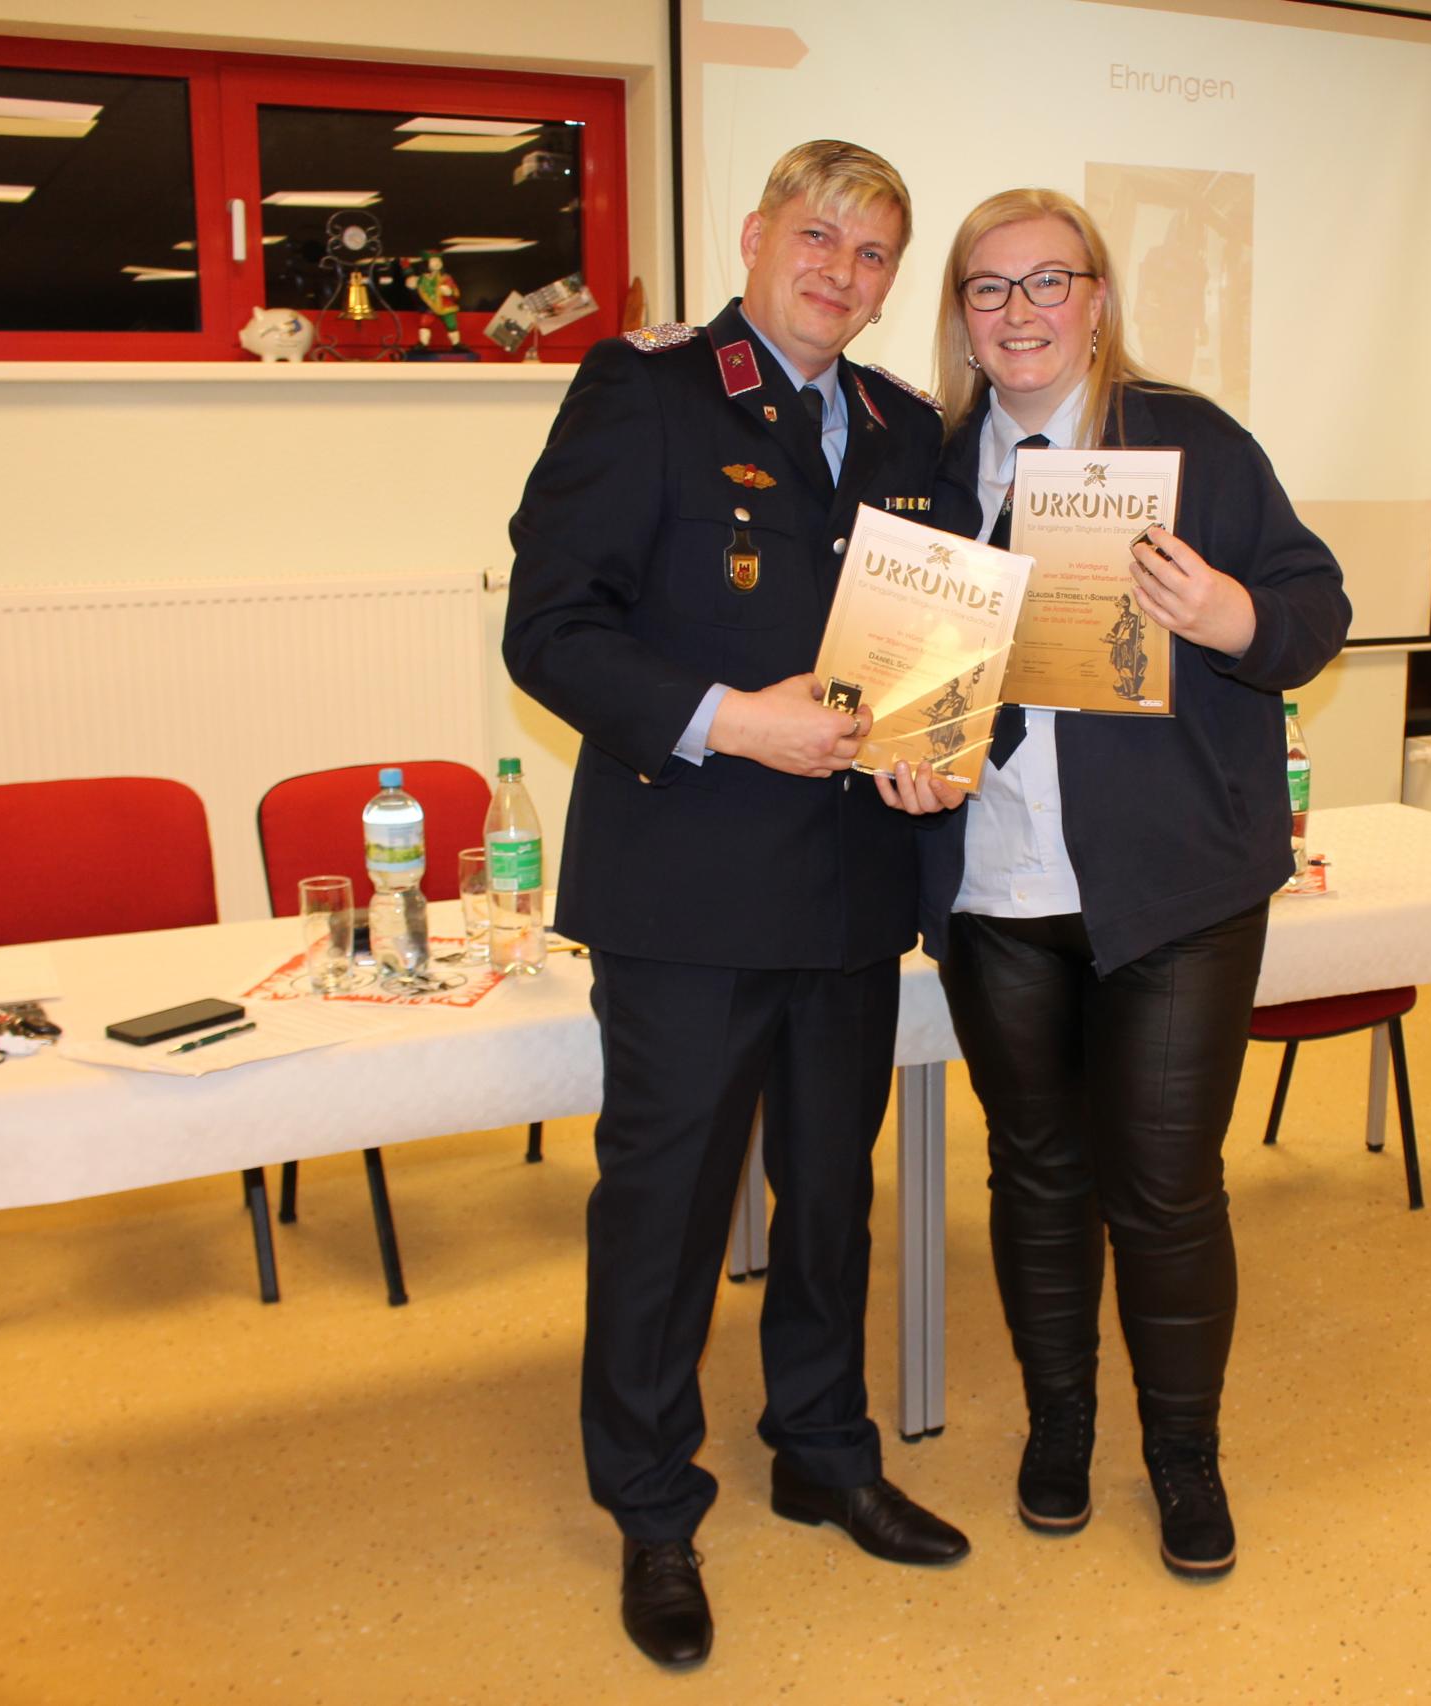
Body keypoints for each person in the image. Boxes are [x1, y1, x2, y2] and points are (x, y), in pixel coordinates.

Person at [502, 139, 969, 1672]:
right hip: (688, 886)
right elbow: (551, 628)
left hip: (850, 885)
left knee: (831, 1197)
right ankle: (651, 1505)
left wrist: (936, 742)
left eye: (873, 253)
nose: (842, 271)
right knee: (670, 1210)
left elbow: (936, 636)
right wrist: (729, 718)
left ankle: (823, 1449)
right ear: (758, 235)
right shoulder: (643, 394)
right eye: (818, 236)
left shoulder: (905, 426)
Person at [881, 188, 1347, 1580]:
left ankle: (1183, 1453)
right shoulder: (924, 465)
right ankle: (1061, 1426)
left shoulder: (1190, 443)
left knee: (1164, 1186)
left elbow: (1313, 608)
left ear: (1095, 299)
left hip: (1174, 889)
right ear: (961, 314)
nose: (1019, 310)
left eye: (1049, 280)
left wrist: (1231, 615)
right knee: (1035, 1173)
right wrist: (900, 754)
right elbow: (896, 663)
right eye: (988, 287)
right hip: (996, 890)